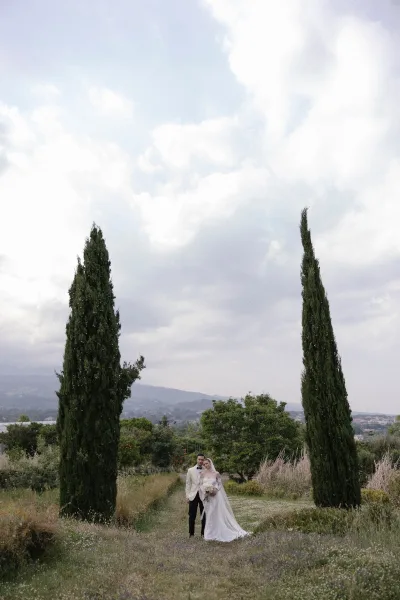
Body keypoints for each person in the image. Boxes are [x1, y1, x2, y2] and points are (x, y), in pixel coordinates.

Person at [199, 457, 249, 542]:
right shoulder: (202, 474)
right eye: (204, 464)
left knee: (216, 513)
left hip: (215, 496)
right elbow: (200, 485)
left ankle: (219, 531)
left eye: (206, 463)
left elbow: (219, 484)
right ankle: (209, 534)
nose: (205, 465)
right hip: (207, 497)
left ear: (210, 463)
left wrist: (214, 490)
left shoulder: (216, 473)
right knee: (210, 514)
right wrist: (205, 491)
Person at [185, 453, 206, 537]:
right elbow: (188, 484)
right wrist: (187, 496)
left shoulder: (206, 469)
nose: (201, 461)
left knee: (204, 514)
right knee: (192, 515)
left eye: (202, 459)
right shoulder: (190, 470)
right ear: (196, 460)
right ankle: (191, 533)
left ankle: (203, 533)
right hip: (193, 495)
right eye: (199, 459)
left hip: (204, 495)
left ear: (204, 460)